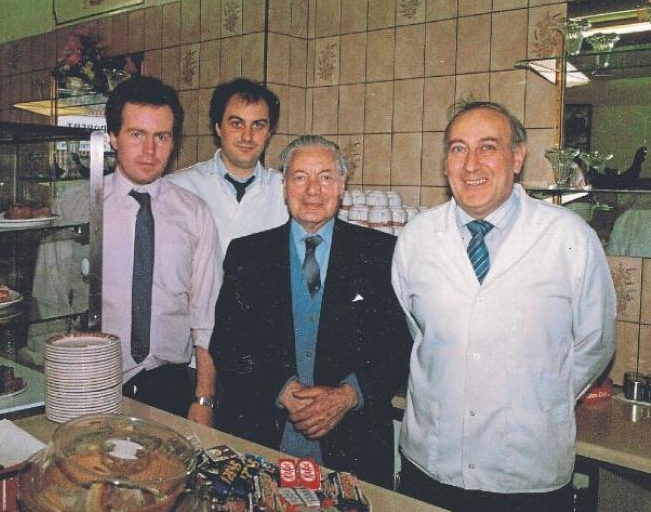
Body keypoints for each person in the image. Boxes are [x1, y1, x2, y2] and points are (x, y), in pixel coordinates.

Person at [392, 101, 616, 512]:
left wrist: (538, 399)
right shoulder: (417, 238)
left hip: (526, 478)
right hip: (430, 467)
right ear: (446, 163)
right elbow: (419, 333)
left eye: (488, 147)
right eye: (458, 148)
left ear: (517, 157)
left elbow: (596, 342)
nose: (471, 164)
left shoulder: (568, 237)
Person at [210, 135, 412, 488]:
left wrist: (349, 395)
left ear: (343, 184)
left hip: (353, 445)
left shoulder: (382, 253)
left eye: (326, 177)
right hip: (265, 438)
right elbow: (227, 342)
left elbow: (399, 344)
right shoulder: (248, 254)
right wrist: (281, 388)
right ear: (284, 184)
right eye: (300, 177)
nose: (313, 190)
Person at [34, 77, 222, 426]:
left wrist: (203, 399)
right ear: (113, 137)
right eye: (137, 134)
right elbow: (49, 303)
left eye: (161, 137)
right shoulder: (76, 206)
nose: (149, 151)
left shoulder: (194, 212)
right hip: (89, 382)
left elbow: (206, 316)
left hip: (169, 387)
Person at [166, 77, 288, 253]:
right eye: (237, 124)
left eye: (258, 125)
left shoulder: (286, 189)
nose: (247, 136)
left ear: (269, 132)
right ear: (218, 127)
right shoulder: (177, 188)